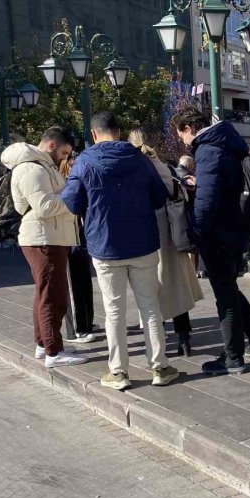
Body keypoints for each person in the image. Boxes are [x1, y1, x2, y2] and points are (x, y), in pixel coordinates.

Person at [62, 112, 178, 390]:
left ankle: (119, 372)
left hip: (105, 246)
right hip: (143, 243)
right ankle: (160, 367)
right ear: (118, 130)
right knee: (150, 307)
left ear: (93, 134)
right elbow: (160, 196)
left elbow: (72, 202)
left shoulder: (85, 162)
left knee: (114, 311)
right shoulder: (139, 158)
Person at [172, 105, 250, 376]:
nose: (184, 141)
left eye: (182, 135)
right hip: (236, 227)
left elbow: (206, 201)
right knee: (230, 288)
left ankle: (233, 357)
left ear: (189, 128)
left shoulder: (208, 149)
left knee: (225, 295)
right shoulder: (227, 143)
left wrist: (196, 231)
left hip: (218, 233)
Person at [3, 127, 89, 368]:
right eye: (64, 152)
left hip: (48, 237)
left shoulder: (41, 166)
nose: (64, 157)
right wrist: (74, 197)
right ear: (51, 145)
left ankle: (44, 344)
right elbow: (45, 206)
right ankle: (53, 351)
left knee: (46, 293)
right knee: (53, 295)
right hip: (43, 238)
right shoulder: (32, 168)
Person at [128, 127, 204, 357]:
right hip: (173, 234)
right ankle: (184, 339)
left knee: (150, 290)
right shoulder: (166, 168)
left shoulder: (136, 169)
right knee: (176, 286)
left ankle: (157, 340)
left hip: (148, 235)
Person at [56, 152, 97, 343]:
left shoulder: (76, 181)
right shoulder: (64, 184)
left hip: (80, 236)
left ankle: (86, 321)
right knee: (74, 284)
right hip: (69, 238)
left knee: (83, 282)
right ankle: (77, 329)